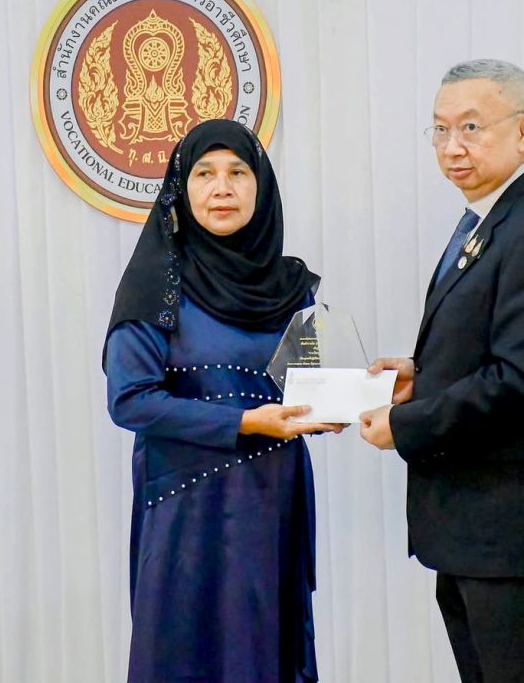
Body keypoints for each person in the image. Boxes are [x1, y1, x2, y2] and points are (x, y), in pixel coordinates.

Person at [360, 60, 524, 682]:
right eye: (440, 130)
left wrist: (409, 423)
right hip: (478, 530)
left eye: (471, 127)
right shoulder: (492, 219)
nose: (453, 148)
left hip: (516, 536)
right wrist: (424, 373)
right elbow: (493, 347)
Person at [104, 119, 341, 682]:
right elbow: (130, 401)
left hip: (271, 502)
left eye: (238, 172)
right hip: (191, 510)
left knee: (266, 654)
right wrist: (245, 421)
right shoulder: (155, 281)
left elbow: (313, 386)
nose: (223, 187)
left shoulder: (293, 287)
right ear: (182, 189)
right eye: (205, 173)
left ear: (261, 187)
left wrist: (350, 398)